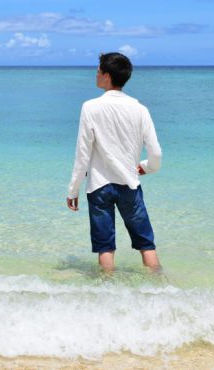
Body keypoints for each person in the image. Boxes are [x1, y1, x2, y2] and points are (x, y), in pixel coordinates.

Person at [66, 52, 163, 273]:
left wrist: (73, 190)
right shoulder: (140, 109)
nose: (96, 74)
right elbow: (156, 153)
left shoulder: (90, 107)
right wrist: (147, 167)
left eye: (99, 71)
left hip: (99, 186)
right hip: (130, 184)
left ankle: (108, 295)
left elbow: (83, 153)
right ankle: (161, 289)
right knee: (146, 245)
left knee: (105, 247)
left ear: (107, 76)